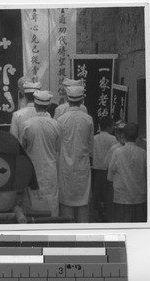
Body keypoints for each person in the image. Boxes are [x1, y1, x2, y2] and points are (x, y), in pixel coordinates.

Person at [57, 85, 94, 223]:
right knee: (83, 202)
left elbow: (58, 144)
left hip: (65, 164)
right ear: (82, 100)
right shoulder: (88, 119)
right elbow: (91, 145)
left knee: (66, 202)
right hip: (83, 164)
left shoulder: (60, 120)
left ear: (67, 99)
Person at [21, 90, 61, 216]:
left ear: (35, 106)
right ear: (48, 106)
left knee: (33, 201)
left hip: (33, 169)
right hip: (50, 169)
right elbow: (58, 148)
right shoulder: (56, 125)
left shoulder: (27, 125)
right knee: (51, 201)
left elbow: (22, 148)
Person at [107, 122, 147, 222]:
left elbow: (110, 176)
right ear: (137, 136)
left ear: (123, 135)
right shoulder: (143, 153)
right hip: (139, 197)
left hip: (122, 197)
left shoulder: (118, 152)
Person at [92, 116, 118, 222]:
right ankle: (107, 213)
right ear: (108, 127)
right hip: (107, 170)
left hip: (96, 169)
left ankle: (99, 213)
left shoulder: (94, 138)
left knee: (97, 192)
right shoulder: (113, 139)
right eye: (112, 126)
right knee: (107, 193)